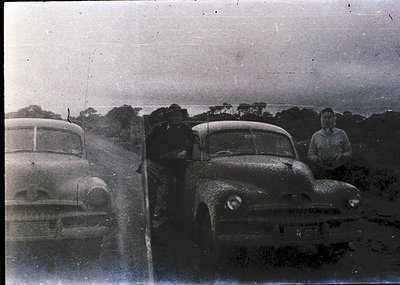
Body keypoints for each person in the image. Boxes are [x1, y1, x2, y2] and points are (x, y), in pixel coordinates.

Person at [143, 104, 194, 228]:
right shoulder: (159, 128)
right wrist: (146, 161)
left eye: (178, 115)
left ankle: (157, 226)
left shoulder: (186, 130)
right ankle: (147, 223)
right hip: (152, 165)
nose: (176, 117)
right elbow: (146, 144)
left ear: (182, 116)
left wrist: (184, 151)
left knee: (163, 197)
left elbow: (189, 145)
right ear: (169, 117)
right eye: (173, 115)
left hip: (169, 169)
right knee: (150, 196)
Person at [307, 107, 352, 180]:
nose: (327, 120)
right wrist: (318, 159)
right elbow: (310, 154)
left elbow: (349, 152)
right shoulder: (315, 136)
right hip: (321, 171)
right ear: (321, 119)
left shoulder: (342, 133)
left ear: (334, 119)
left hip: (340, 171)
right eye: (324, 117)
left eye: (330, 117)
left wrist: (340, 156)